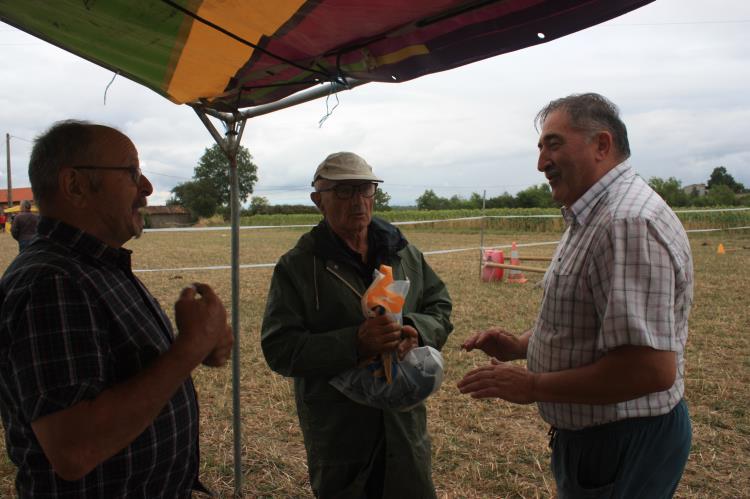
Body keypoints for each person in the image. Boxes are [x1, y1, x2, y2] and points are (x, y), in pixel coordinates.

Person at [458, 93, 693, 498]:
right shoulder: (593, 216)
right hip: (606, 441)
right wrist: (519, 346)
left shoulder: (626, 223)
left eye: (554, 144)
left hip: (621, 442)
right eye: (540, 147)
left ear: (602, 145)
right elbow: (584, 323)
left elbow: (649, 370)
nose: (541, 163)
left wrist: (531, 386)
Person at [0, 120, 234, 498]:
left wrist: (200, 345)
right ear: (75, 185)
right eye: (131, 172)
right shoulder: (52, 282)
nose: (146, 188)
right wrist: (188, 349)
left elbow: (132, 373)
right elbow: (74, 449)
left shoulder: (92, 266)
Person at [261, 152, 453, 498]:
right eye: (344, 192)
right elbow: (279, 348)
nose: (358, 202)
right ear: (318, 201)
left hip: (403, 423)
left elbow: (439, 305)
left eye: (365, 190)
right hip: (340, 429)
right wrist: (355, 343)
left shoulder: (403, 252)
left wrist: (415, 328)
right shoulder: (299, 266)